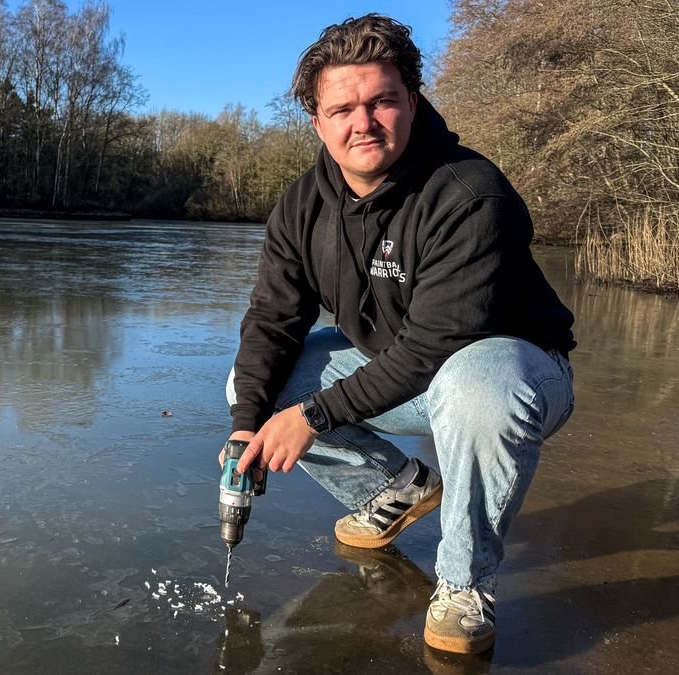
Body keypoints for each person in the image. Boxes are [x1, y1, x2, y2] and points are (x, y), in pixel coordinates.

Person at [223, 14, 576, 655]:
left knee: (476, 387)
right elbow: (272, 322)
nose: (364, 122)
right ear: (317, 121)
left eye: (382, 101)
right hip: (403, 368)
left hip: (513, 372)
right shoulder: (300, 207)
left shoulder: (470, 194)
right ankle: (398, 487)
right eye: (343, 109)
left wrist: (317, 416)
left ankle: (464, 583)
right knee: (256, 384)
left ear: (411, 101)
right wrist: (249, 422)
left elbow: (435, 346)